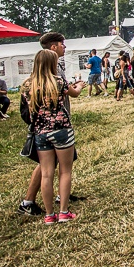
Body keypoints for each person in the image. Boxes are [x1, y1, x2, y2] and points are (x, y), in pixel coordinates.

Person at [20, 49, 83, 224]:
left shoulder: (27, 84)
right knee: (65, 171)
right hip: (61, 129)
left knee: (46, 174)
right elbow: (74, 93)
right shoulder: (57, 81)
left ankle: (49, 215)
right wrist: (79, 85)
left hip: (40, 132)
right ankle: (63, 211)